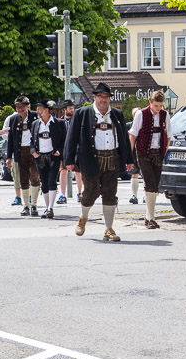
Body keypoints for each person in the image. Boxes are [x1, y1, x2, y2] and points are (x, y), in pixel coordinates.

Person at [64, 83, 134, 241]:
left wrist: (129, 159)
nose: (104, 100)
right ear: (94, 97)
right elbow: (71, 137)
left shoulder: (116, 114)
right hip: (90, 158)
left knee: (110, 193)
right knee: (91, 192)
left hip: (113, 158)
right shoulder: (82, 113)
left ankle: (108, 229)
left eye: (106, 97)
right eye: (101, 97)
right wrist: (69, 159)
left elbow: (124, 137)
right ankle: (83, 218)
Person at [129, 92, 171, 228]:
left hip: (158, 152)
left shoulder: (165, 115)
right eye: (156, 105)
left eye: (160, 106)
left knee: (155, 184)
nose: (158, 108)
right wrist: (129, 153)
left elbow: (168, 135)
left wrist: (164, 151)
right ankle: (152, 219)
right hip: (143, 152)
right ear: (150, 102)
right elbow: (133, 134)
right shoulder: (141, 114)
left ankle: (148, 218)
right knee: (150, 183)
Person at [31, 99, 66, 219]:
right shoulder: (35, 124)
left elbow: (64, 139)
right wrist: (33, 152)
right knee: (44, 183)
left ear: (46, 110)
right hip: (40, 157)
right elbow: (31, 141)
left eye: (39, 109)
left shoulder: (58, 123)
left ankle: (51, 207)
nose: (37, 111)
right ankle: (47, 208)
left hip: (53, 156)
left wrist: (59, 152)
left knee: (52, 181)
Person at [6, 96, 40, 217]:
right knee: (23, 179)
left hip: (33, 152)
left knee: (35, 177)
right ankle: (26, 206)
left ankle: (34, 205)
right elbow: (11, 139)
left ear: (27, 106)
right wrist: (9, 156)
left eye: (21, 107)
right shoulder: (13, 119)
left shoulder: (35, 116)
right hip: (20, 152)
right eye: (17, 107)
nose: (19, 109)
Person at [57, 99, 83, 204]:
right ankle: (62, 195)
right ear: (64, 109)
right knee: (63, 171)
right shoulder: (60, 121)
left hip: (76, 149)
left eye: (73, 108)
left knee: (78, 172)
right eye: (70, 108)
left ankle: (80, 193)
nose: (72, 110)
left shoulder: (77, 120)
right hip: (64, 150)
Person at [2, 112, 21, 206]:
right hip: (15, 152)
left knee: (30, 175)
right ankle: (18, 197)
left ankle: (30, 196)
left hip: (28, 152)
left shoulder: (31, 116)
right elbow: (4, 133)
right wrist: (14, 136)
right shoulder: (11, 118)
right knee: (16, 175)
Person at [126, 107, 142, 205]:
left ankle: (147, 195)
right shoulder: (128, 126)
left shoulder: (145, 125)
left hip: (143, 152)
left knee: (146, 175)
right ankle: (134, 196)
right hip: (133, 153)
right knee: (134, 174)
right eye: (134, 114)